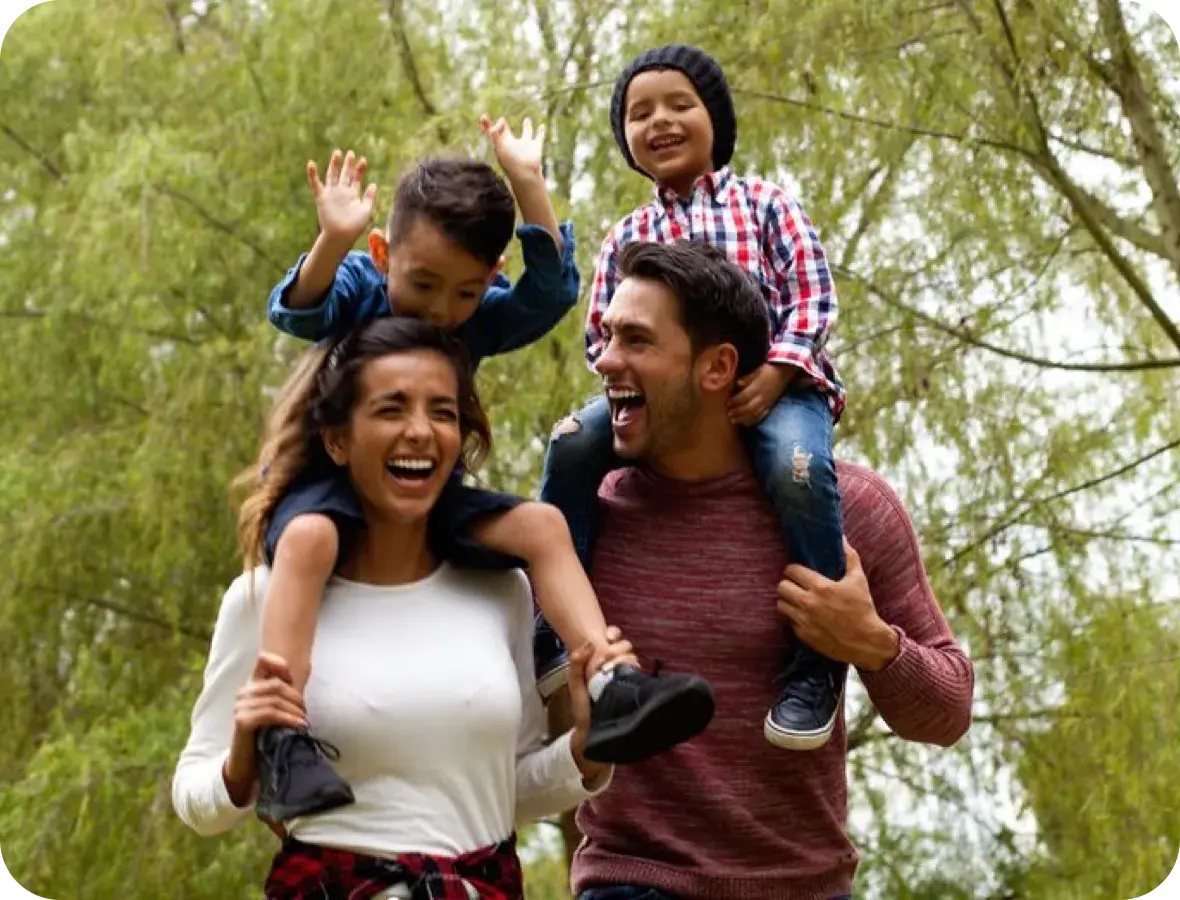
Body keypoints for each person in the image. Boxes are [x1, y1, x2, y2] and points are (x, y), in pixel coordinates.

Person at [252, 119, 715, 820]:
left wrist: (529, 184)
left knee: (542, 524)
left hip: (430, 497)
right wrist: (333, 240)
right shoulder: (361, 284)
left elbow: (551, 295)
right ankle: (282, 739)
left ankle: (612, 681)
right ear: (384, 255)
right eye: (424, 284)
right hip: (327, 491)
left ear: (488, 280)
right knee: (310, 540)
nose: (441, 312)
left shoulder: (474, 318)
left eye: (464, 293)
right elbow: (297, 312)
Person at [546, 242, 974, 899]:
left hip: (805, 885)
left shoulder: (849, 511)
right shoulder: (581, 525)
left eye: (635, 339)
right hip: (631, 879)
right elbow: (523, 718)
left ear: (718, 367)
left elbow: (946, 713)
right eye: (606, 336)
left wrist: (871, 644)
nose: (604, 360)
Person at [173, 316, 626, 899]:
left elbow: (506, 789)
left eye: (442, 412)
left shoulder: (503, 591)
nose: (420, 431)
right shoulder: (264, 598)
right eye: (391, 409)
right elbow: (195, 799)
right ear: (337, 439)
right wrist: (242, 761)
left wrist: (585, 753)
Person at [538, 44, 848, 752]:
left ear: (717, 119)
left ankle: (817, 657)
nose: (661, 122)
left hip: (778, 388)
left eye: (680, 105)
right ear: (626, 140)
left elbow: (812, 299)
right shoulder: (629, 236)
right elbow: (600, 338)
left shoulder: (764, 205)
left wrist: (774, 371)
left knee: (798, 469)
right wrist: (631, 381)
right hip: (663, 398)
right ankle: (554, 623)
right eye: (639, 114)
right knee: (571, 442)